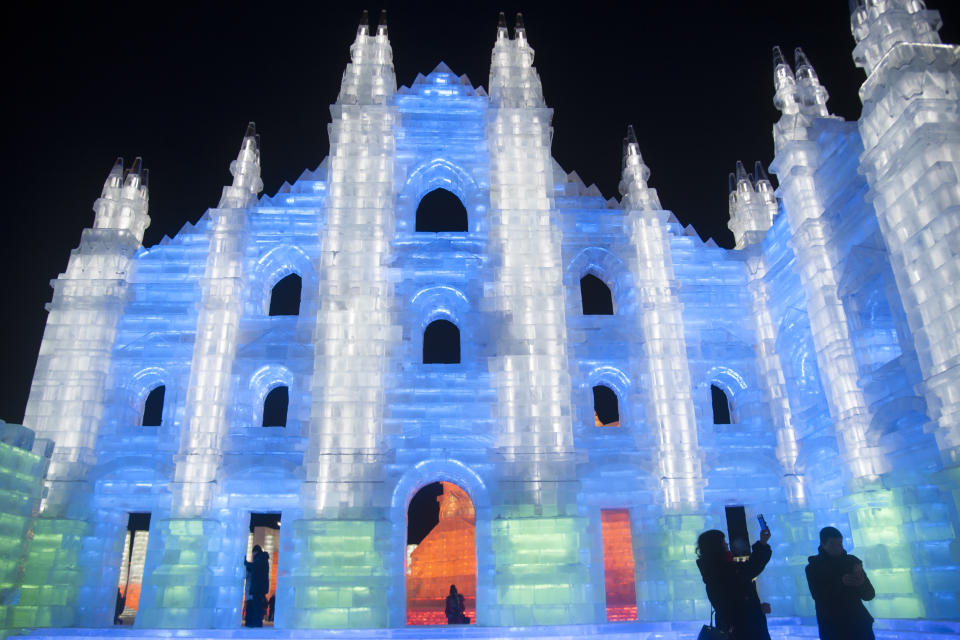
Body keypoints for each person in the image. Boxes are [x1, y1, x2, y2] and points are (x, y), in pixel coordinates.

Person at [696, 526, 772, 640]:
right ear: (717, 547)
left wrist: (757, 608)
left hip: (738, 629)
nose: (727, 545)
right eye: (723, 542)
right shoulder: (724, 571)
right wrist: (762, 543)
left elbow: (735, 601)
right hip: (744, 631)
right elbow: (751, 568)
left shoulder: (714, 571)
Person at [805, 526, 875, 640]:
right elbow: (818, 595)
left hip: (859, 625)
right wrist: (842, 582)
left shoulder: (852, 562)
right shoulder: (813, 568)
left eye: (840, 544)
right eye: (834, 544)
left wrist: (861, 584)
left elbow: (869, 594)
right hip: (834, 629)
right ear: (823, 544)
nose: (839, 548)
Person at [244, 545, 270, 627]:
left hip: (258, 588)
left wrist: (246, 563)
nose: (253, 555)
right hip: (259, 588)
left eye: (253, 553)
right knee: (257, 606)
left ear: (256, 552)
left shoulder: (261, 559)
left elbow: (255, 567)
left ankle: (257, 623)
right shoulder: (262, 559)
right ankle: (256, 622)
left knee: (257, 606)